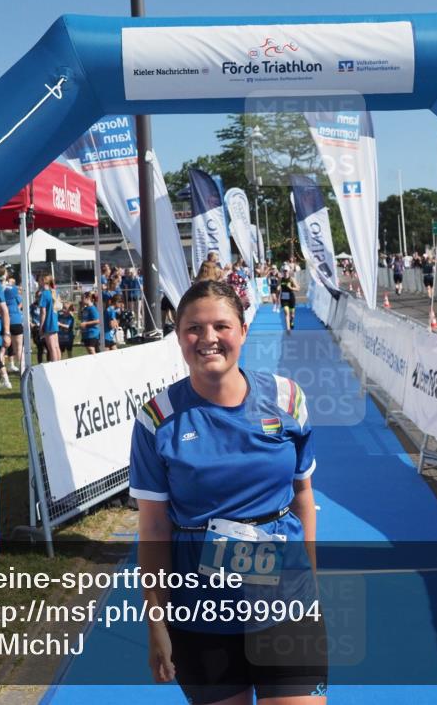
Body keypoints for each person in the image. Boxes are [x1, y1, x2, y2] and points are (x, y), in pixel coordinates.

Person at [130, 280, 324, 704]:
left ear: (243, 330)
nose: (208, 339)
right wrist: (156, 623)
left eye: (222, 325)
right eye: (193, 329)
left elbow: (303, 497)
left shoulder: (287, 399)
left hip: (286, 603)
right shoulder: (157, 419)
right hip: (200, 614)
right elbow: (154, 528)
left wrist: (309, 582)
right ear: (178, 337)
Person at [3, 273, 25, 373]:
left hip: (6, 321)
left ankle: (1, 371)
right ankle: (23, 369)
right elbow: (21, 299)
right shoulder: (14, 289)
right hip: (16, 320)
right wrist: (18, 308)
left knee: (6, 348)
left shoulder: (1, 289)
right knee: (19, 347)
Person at [39, 275, 61, 362]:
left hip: (48, 322)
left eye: (39, 280)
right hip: (54, 321)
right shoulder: (54, 292)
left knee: (52, 348)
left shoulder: (44, 294)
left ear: (43, 281)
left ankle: (55, 367)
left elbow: (43, 312)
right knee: (56, 346)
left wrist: (41, 326)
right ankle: (59, 365)